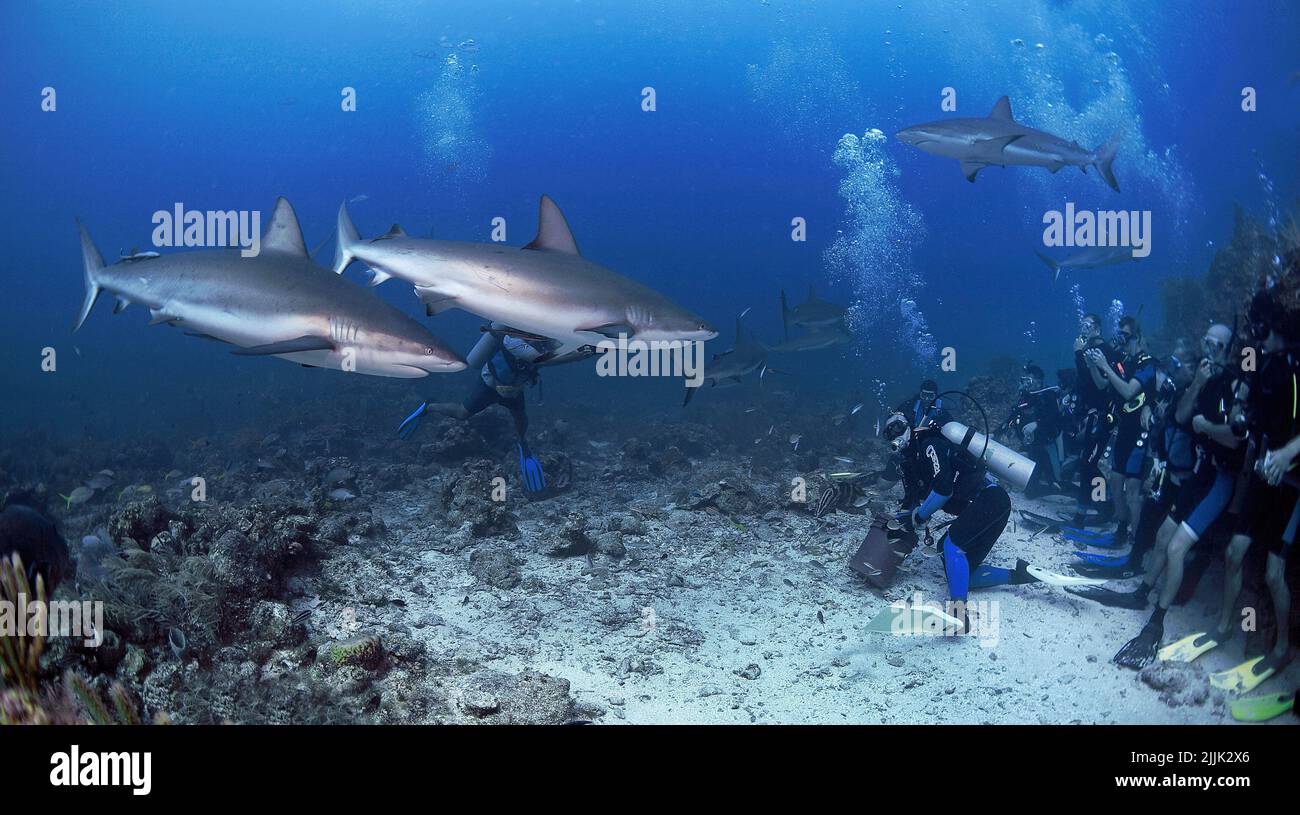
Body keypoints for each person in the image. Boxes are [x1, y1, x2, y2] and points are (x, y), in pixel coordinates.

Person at [1069, 323, 1241, 669]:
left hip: (1222, 478)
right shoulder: (1202, 382)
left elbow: (1237, 438)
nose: (1211, 350)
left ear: (1231, 349)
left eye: (1218, 346)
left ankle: (1158, 618)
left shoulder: (1233, 384)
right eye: (1207, 342)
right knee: (1163, 534)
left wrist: (1206, 427)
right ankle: (1143, 591)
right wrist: (1198, 385)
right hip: (1198, 474)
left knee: (1177, 547)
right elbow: (1180, 415)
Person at [883, 413, 1039, 633]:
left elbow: (943, 490)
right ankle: (1019, 575)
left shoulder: (929, 445)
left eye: (897, 427)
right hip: (986, 508)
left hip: (991, 499)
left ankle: (958, 616)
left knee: (952, 545)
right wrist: (897, 525)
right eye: (888, 432)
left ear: (909, 426)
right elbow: (910, 504)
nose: (894, 435)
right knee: (958, 566)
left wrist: (919, 516)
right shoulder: (911, 466)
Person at [398, 330, 557, 492]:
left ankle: (523, 443)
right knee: (462, 413)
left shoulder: (545, 341)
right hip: (490, 384)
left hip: (513, 389)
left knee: (521, 418)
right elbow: (542, 358)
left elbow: (555, 353)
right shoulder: (513, 339)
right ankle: (429, 407)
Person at [1086, 316, 1159, 546]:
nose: (1122, 340)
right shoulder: (1126, 361)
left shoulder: (1147, 362)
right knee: (1115, 483)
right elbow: (1102, 385)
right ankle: (1121, 527)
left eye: (1126, 336)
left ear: (1136, 337)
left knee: (1132, 489)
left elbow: (1128, 391)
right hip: (1124, 428)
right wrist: (1092, 365)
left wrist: (1105, 365)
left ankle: (1136, 541)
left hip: (1140, 431)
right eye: (1120, 335)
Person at [1071, 314, 1118, 527]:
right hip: (1092, 416)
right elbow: (1084, 380)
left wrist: (1080, 354)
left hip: (1103, 416)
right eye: (1082, 325)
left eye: (1088, 326)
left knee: (1088, 464)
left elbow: (1098, 385)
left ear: (1098, 329)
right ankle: (1102, 506)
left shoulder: (1105, 351)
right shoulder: (1090, 350)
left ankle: (1098, 510)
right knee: (1088, 464)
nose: (1084, 329)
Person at [1001, 363, 1064, 495]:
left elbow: (1055, 416)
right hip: (1031, 445)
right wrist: (997, 432)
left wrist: (1037, 424)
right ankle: (1049, 483)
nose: (1026, 384)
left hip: (1047, 443)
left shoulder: (1048, 395)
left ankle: (1053, 484)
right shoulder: (1025, 397)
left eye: (1028, 381)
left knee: (1033, 489)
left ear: (1038, 381)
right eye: (1024, 380)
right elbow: (1012, 416)